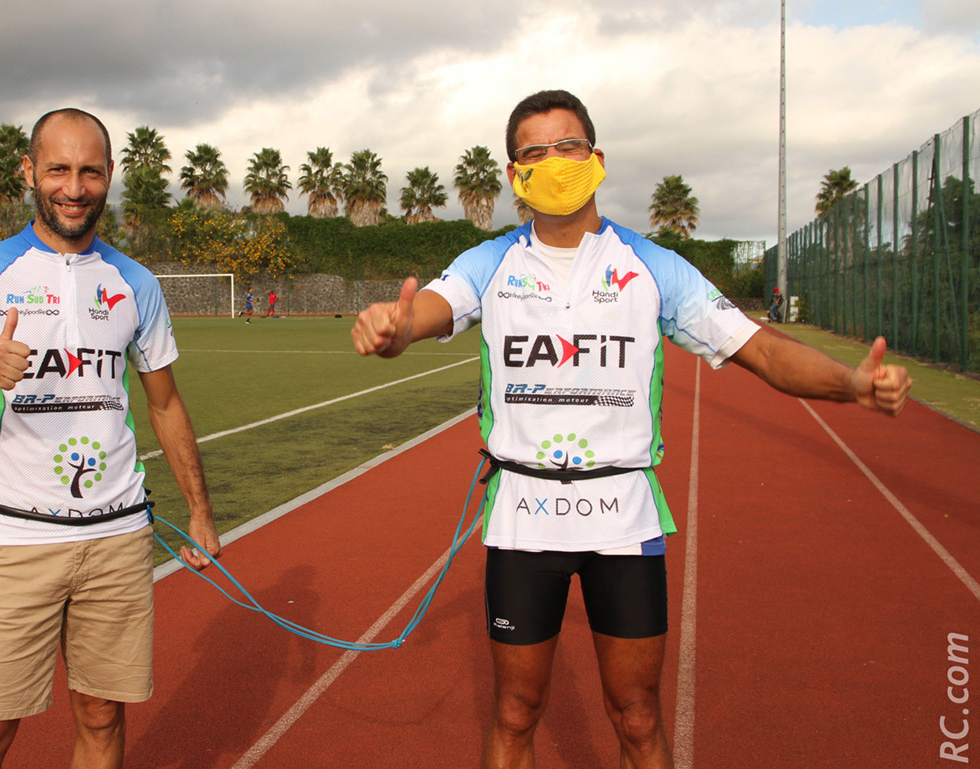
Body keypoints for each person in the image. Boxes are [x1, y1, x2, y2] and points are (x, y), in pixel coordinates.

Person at [351, 90, 911, 769]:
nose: (555, 161)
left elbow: (759, 348)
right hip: (526, 515)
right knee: (515, 711)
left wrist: (850, 384)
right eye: (535, 152)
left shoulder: (653, 267)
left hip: (623, 515)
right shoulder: (491, 262)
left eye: (569, 147)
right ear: (514, 175)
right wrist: (395, 327)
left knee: (639, 716)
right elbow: (427, 312)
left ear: (597, 158)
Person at [0, 107, 221, 769]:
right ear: (30, 172)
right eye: (58, 168)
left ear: (109, 175)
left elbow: (165, 404)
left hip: (116, 537)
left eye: (90, 170)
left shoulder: (136, 283)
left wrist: (199, 510)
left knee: (101, 717)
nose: (74, 187)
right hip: (16, 538)